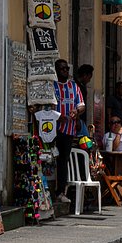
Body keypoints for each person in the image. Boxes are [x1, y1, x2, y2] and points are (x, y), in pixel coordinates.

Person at [53, 58, 85, 195]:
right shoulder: (51, 86)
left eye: (67, 68)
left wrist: (76, 111)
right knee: (49, 159)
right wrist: (56, 115)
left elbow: (81, 105)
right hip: (51, 129)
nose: (65, 71)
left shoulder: (73, 86)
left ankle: (61, 192)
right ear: (56, 70)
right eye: (62, 69)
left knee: (63, 160)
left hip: (68, 130)